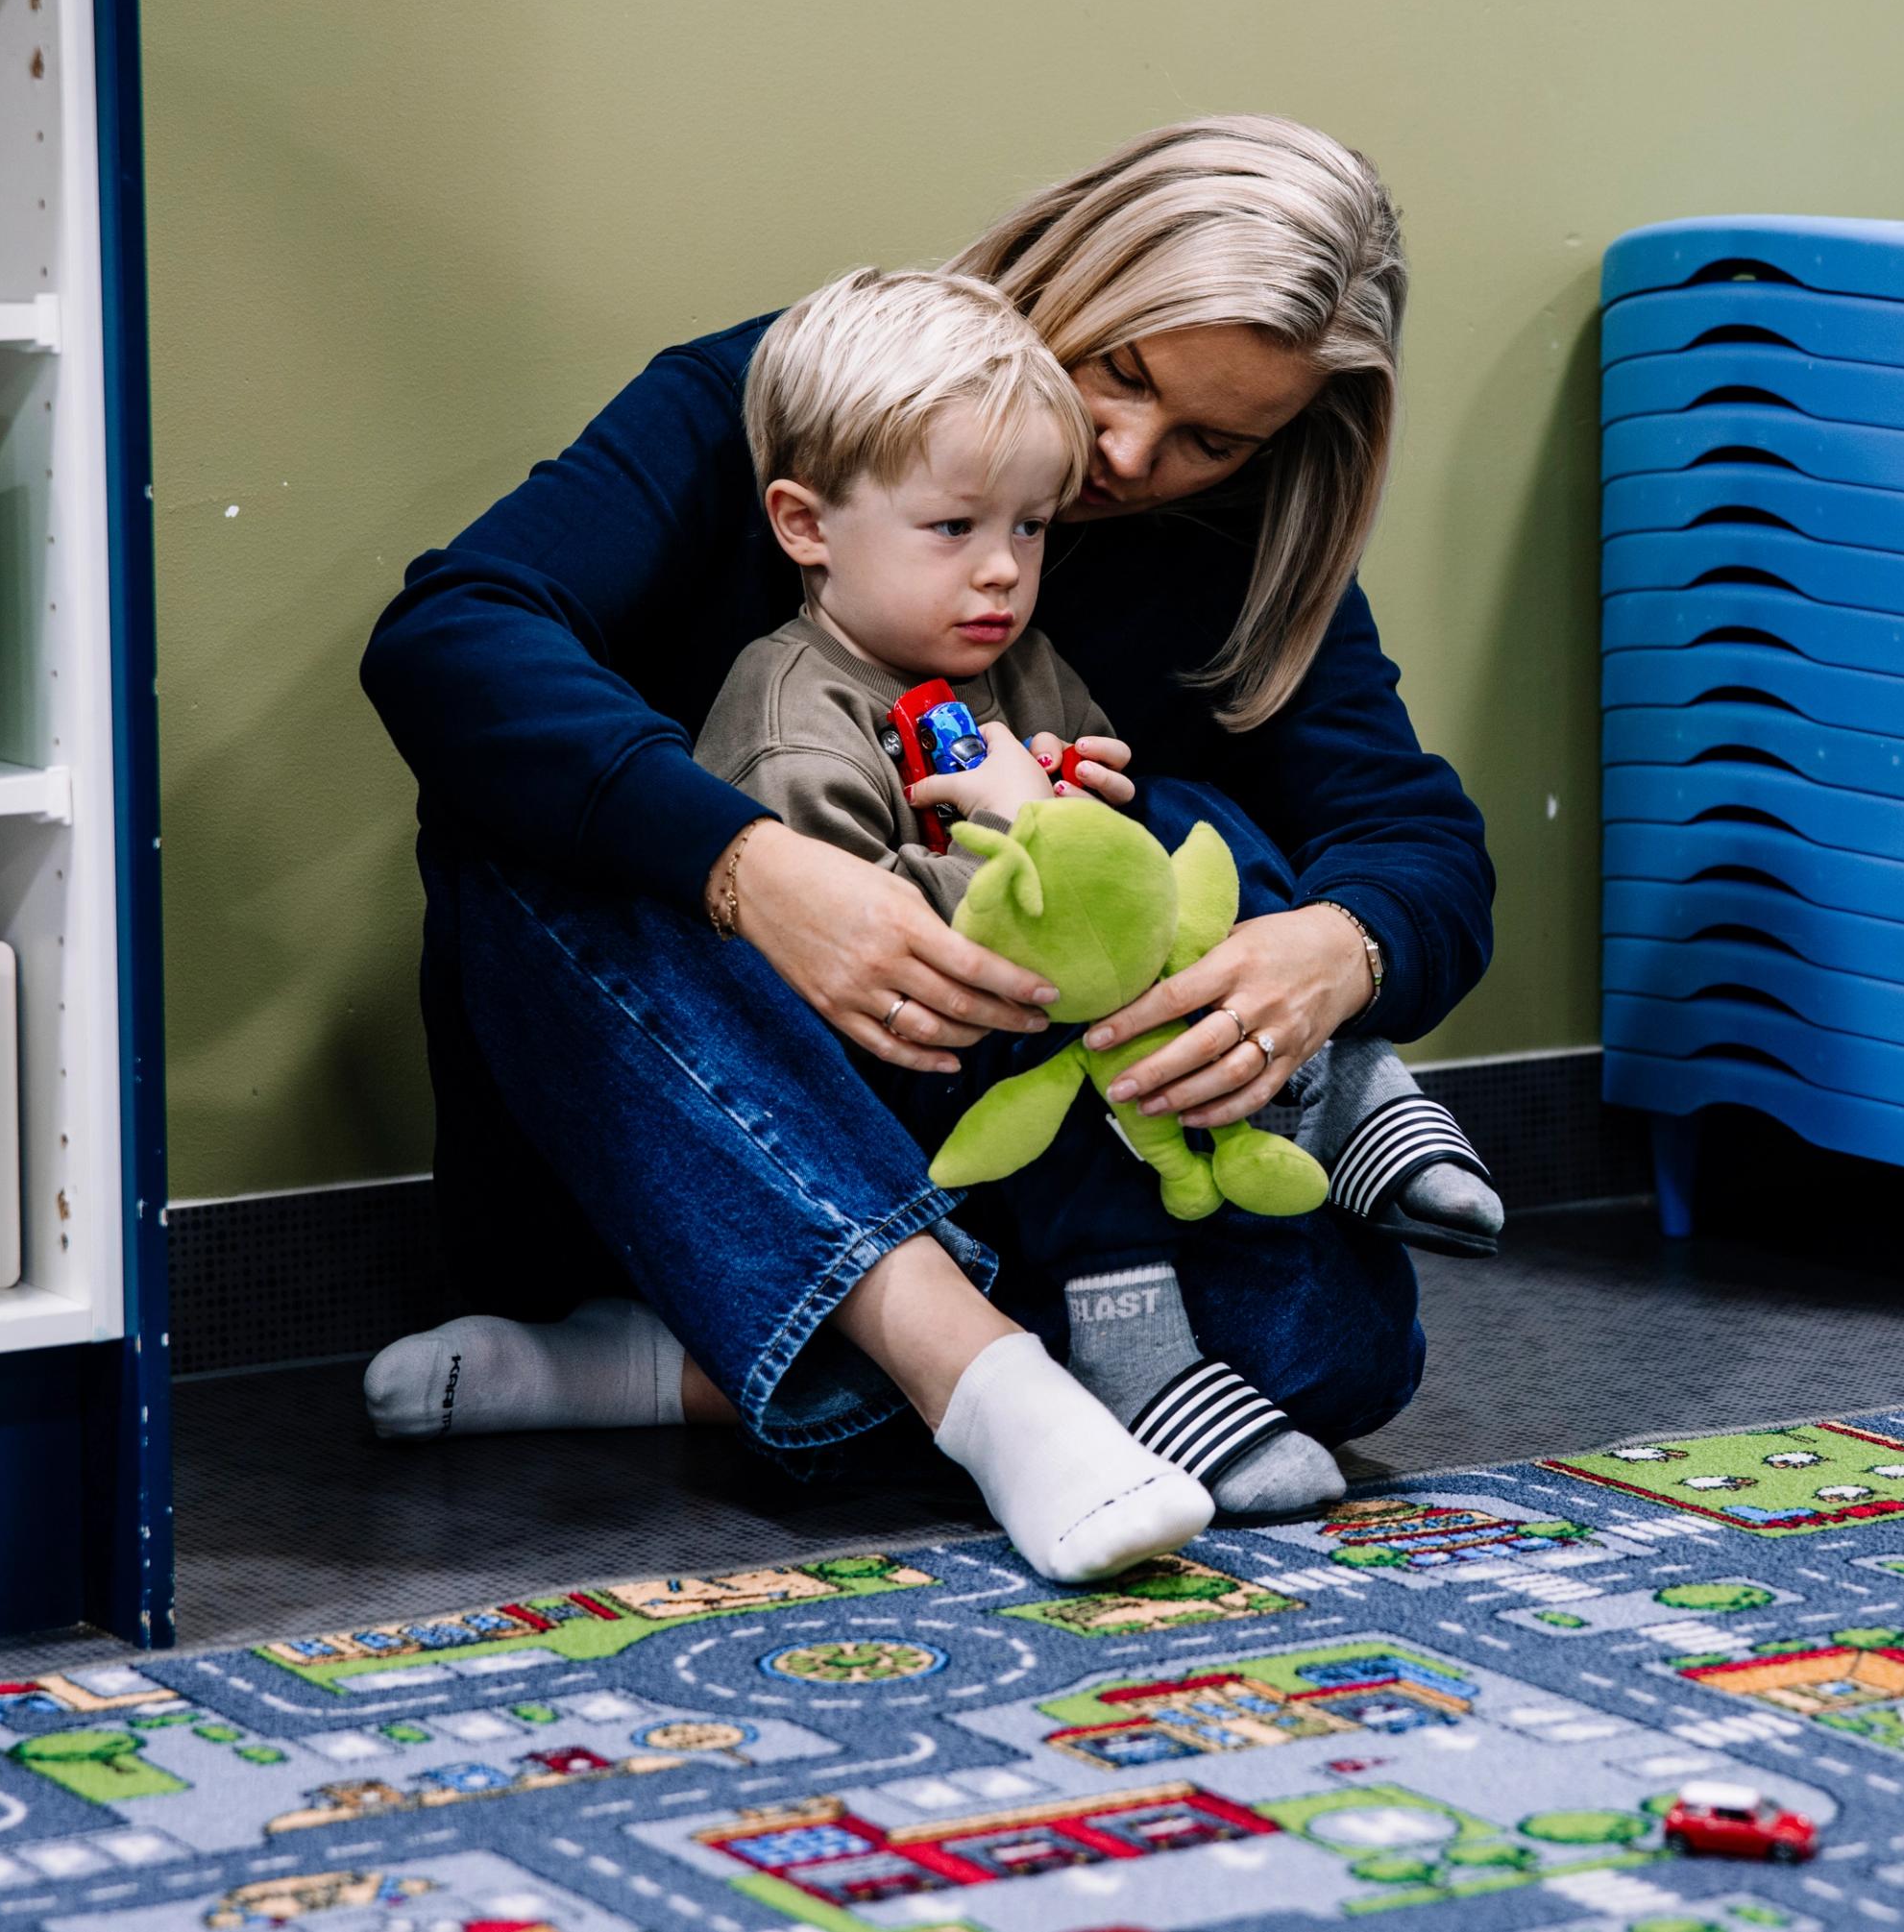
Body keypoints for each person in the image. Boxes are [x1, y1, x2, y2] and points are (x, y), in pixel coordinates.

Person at [355, 116, 1500, 1581]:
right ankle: (982, 1381)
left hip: (1057, 1180)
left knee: (1342, 1351)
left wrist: (1332, 959)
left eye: (1213, 438)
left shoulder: (1236, 540)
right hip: (709, 1128)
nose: (1129, 453)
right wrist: (753, 870)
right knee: (528, 814)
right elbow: (451, 638)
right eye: (1123, 371)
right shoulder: (798, 397)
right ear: (1063, 263)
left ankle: (728, 1369)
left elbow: (1417, 839)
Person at [692, 264, 1344, 1522]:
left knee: (1199, 816)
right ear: (805, 524)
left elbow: (1105, 859)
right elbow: (845, 948)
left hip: (1084, 1034)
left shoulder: (1015, 668)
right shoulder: (794, 717)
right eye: (955, 529)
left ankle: (1328, 1077)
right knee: (1073, 1126)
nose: (1002, 573)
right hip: (915, 1087)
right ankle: (1128, 1345)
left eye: (1029, 530)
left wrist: (1092, 812)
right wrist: (1027, 831)